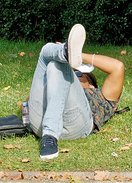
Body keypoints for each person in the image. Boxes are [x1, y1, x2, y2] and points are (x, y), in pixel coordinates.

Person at [28, 23, 125, 160]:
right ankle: (64, 52)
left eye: (79, 75)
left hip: (75, 125)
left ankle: (50, 136)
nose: (74, 74)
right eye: (73, 72)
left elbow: (118, 67)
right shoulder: (55, 82)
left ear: (91, 85)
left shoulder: (101, 97)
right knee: (46, 53)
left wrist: (78, 56)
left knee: (57, 66)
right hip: (40, 124)